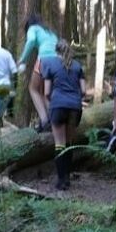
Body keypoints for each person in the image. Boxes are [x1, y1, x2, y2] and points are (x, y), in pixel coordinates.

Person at [41, 40, 87, 190]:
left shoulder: (50, 64)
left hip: (58, 105)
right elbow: (84, 91)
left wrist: (53, 100)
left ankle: (62, 181)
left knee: (59, 143)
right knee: (69, 143)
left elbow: (47, 92)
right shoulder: (77, 66)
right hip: (75, 106)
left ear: (56, 51)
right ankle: (67, 177)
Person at [16, 15, 59, 131]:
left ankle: (45, 121)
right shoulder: (49, 31)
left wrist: (22, 59)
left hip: (44, 59)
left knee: (33, 88)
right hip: (57, 61)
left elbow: (30, 41)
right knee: (45, 91)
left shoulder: (33, 28)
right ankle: (53, 119)